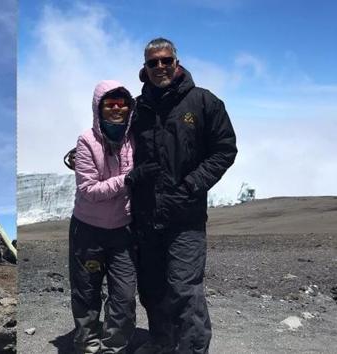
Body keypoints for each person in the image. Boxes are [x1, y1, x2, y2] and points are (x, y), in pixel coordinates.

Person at [126, 38, 237, 354]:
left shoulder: (203, 103)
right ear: (144, 69)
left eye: (166, 60)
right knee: (151, 286)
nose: (160, 67)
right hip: (146, 217)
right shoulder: (138, 108)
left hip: (185, 217)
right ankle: (162, 341)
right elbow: (116, 142)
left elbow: (224, 149)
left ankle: (191, 348)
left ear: (177, 62)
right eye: (153, 63)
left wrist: (191, 186)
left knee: (184, 289)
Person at [70, 80, 137, 354]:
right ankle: (87, 344)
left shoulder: (135, 138)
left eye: (122, 103)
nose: (117, 108)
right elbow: (89, 190)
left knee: (124, 295)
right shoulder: (87, 140)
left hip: (123, 230)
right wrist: (128, 180)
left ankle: (114, 348)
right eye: (110, 104)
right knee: (86, 291)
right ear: (99, 107)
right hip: (88, 230)